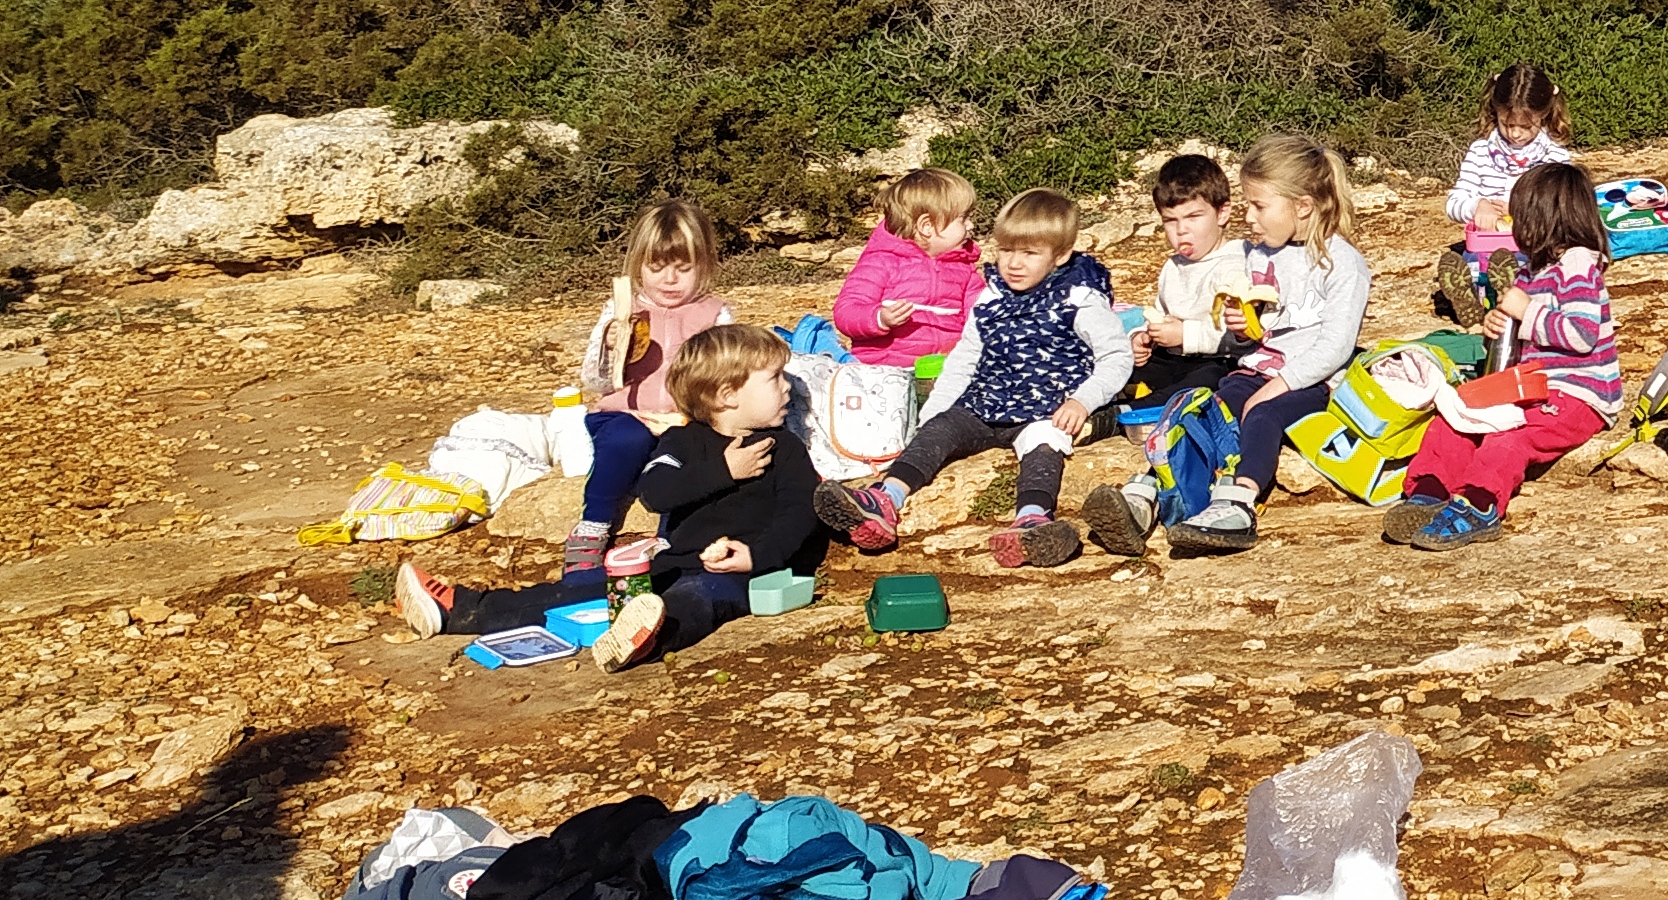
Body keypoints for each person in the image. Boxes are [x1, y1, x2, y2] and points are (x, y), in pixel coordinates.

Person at [393, 325, 829, 672]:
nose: (788, 389)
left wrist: (755, 556)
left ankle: (647, 639)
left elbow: (800, 513)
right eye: (775, 379)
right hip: (675, 560)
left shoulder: (785, 449)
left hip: (743, 574)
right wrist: (723, 471)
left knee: (698, 600)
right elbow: (655, 492)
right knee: (582, 590)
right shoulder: (681, 442)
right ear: (727, 395)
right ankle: (461, 609)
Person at [1090, 132, 1373, 559]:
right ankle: (1147, 491)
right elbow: (1260, 333)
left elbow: (1335, 346)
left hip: (1314, 382)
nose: (1250, 217)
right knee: (1198, 408)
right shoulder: (1261, 256)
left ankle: (1239, 500)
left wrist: (1279, 384)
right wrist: (1245, 329)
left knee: (1262, 414)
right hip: (1256, 368)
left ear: (1302, 206)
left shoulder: (1342, 263)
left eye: (1259, 206)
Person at [844, 188, 1131, 567]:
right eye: (1006, 250)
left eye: (1029, 254)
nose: (1013, 263)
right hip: (986, 404)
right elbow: (964, 359)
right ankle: (886, 498)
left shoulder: (1078, 299)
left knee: (1044, 445)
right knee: (940, 429)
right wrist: (934, 413)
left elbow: (1116, 356)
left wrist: (1082, 400)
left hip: (1044, 409)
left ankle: (1031, 519)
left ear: (1059, 256)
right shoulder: (991, 297)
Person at [1380, 161, 1622, 551]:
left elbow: (1581, 334)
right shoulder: (1531, 271)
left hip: (1578, 395)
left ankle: (1480, 504)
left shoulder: (1578, 264)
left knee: (1509, 438)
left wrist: (1525, 311)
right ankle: (1429, 489)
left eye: (1518, 217)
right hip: (1531, 385)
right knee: (1457, 415)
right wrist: (1499, 322)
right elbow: (1527, 330)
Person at [563, 196, 734, 582]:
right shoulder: (622, 311)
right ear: (637, 265)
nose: (669, 280)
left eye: (683, 268)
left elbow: (727, 377)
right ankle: (594, 525)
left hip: (686, 417)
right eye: (656, 267)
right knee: (628, 440)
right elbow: (594, 381)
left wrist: (692, 416)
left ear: (704, 265)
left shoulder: (715, 315)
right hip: (625, 413)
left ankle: (668, 539)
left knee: (687, 455)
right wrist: (610, 352)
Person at [1103, 150, 1243, 425]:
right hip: (1172, 359)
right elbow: (1159, 313)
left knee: (1210, 381)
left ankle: (1125, 415)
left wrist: (1185, 334)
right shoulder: (1173, 266)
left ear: (1222, 213)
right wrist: (1143, 338)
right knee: (1117, 360)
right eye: (1171, 220)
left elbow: (1240, 337)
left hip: (1216, 359)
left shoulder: (1236, 265)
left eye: (1193, 217)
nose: (1182, 230)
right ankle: (1096, 397)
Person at [1434, 65, 1573, 324]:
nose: (1516, 133)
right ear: (1495, 112)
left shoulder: (1555, 157)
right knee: (1477, 265)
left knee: (1543, 267)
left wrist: (1523, 210)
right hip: (1485, 248)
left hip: (1533, 245)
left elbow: (1562, 208)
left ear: (1543, 116)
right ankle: (1476, 301)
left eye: (1526, 126)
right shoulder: (1480, 152)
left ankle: (1513, 296)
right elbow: (1454, 202)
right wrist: (1477, 205)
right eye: (1507, 124)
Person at [829, 167, 982, 372]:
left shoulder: (965, 270)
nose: (970, 225)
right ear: (927, 226)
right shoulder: (882, 263)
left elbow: (980, 314)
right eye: (963, 219)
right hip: (885, 371)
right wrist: (879, 318)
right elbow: (846, 311)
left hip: (943, 370)